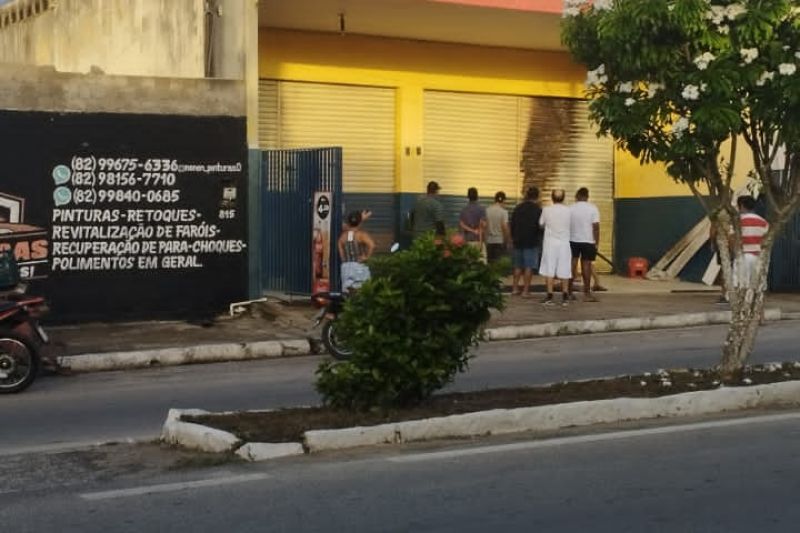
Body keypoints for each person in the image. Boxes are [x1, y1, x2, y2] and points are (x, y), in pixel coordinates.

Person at [539, 188, 572, 306]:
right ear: (563, 198)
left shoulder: (546, 210)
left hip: (550, 244)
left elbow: (541, 224)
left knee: (549, 269)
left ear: (552, 198)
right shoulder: (569, 211)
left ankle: (549, 296)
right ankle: (565, 297)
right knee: (564, 269)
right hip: (564, 244)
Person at [569, 187, 601, 302]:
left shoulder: (570, 208)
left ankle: (569, 292)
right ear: (587, 196)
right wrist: (596, 242)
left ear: (577, 196)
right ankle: (587, 293)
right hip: (588, 241)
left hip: (572, 240)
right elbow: (596, 227)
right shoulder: (593, 208)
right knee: (586, 266)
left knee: (572, 265)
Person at [510, 187, 543, 297]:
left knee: (517, 266)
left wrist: (513, 237)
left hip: (518, 241)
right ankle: (525, 291)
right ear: (537, 197)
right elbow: (540, 226)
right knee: (528, 266)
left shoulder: (518, 208)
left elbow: (512, 224)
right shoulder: (538, 210)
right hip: (531, 241)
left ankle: (514, 288)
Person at [733, 195, 768, 289]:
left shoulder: (738, 221)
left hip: (743, 255)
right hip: (759, 256)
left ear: (742, 206)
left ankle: (742, 303)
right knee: (757, 284)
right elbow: (766, 240)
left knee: (741, 283)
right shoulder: (763, 222)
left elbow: (732, 238)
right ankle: (755, 302)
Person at [338, 210, 375, 291]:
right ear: (359, 222)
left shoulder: (342, 237)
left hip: (346, 267)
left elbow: (342, 256)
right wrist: (366, 257)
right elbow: (371, 245)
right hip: (360, 266)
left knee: (347, 292)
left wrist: (346, 261)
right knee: (362, 291)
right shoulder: (361, 235)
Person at [459, 187, 487, 260]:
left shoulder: (464, 210)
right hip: (478, 241)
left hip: (467, 241)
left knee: (468, 265)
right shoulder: (481, 209)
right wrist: (481, 243)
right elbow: (482, 225)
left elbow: (461, 226)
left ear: (468, 197)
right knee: (480, 265)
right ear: (477, 196)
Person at [485, 191, 510, 263]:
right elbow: (505, 227)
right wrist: (507, 241)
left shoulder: (487, 210)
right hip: (499, 241)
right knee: (498, 265)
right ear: (504, 200)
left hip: (489, 241)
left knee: (490, 263)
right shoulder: (504, 212)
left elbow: (485, 226)